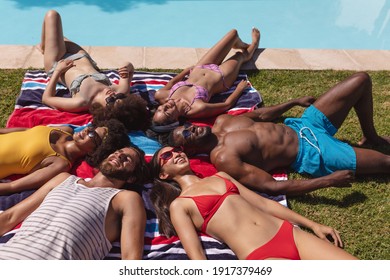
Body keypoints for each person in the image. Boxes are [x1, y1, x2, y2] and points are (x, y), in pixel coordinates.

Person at [168, 72, 390, 195]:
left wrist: (292, 102)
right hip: (312, 152)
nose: (191, 129)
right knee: (386, 163)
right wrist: (328, 181)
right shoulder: (223, 158)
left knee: (361, 80)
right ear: (192, 150)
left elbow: (262, 116)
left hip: (304, 124)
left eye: (186, 127)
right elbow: (271, 186)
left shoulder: (222, 121)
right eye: (186, 135)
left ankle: (371, 136)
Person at [149, 146, 357, 260]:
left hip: (290, 234)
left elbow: (264, 204)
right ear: (164, 174)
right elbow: (196, 255)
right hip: (260, 256)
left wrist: (313, 225)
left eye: (176, 150)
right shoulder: (180, 206)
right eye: (167, 155)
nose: (176, 153)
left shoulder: (221, 177)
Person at [0, 145, 149, 260]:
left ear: (131, 178)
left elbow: (131, 259)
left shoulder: (126, 199)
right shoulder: (64, 178)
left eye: (128, 159)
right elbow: (10, 217)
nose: (120, 155)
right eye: (118, 152)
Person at [40, 10, 151, 132]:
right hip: (81, 55)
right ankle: (44, 46)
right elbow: (130, 67)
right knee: (56, 34)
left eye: (111, 100)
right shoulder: (121, 90)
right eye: (119, 97)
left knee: (52, 16)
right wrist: (126, 67)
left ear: (105, 112)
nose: (112, 95)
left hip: (58, 61)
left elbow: (47, 98)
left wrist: (57, 71)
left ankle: (45, 47)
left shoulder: (81, 102)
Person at [152, 28, 260, 126]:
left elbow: (171, 83)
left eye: (159, 110)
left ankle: (241, 44)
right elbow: (226, 104)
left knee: (233, 34)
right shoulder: (196, 108)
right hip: (221, 77)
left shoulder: (161, 95)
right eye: (166, 113)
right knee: (240, 56)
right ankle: (254, 44)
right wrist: (239, 89)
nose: (163, 107)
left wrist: (184, 72)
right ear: (175, 119)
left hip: (201, 67)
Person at [0, 119, 130, 195]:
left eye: (92, 135)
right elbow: (24, 132)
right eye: (91, 128)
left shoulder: (60, 164)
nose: (86, 130)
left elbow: (13, 187)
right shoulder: (65, 130)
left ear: (94, 151)